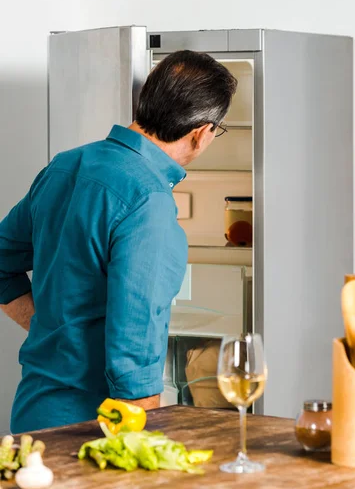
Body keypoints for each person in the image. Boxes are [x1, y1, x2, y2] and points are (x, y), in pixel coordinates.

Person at [0, 50, 237, 432]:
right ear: (202, 133)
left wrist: (55, 330)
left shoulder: (66, 164)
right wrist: (141, 442)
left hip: (34, 410)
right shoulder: (149, 200)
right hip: (99, 424)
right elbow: (136, 344)